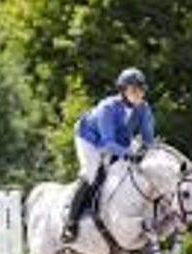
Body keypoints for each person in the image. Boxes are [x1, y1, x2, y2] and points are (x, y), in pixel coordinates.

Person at [61, 67, 155, 243]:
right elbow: (107, 143)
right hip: (90, 138)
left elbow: (148, 139)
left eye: (140, 90)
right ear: (123, 90)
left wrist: (147, 152)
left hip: (119, 140)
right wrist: (128, 154)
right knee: (92, 174)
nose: (138, 94)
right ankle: (70, 223)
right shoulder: (108, 107)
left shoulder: (143, 108)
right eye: (133, 90)